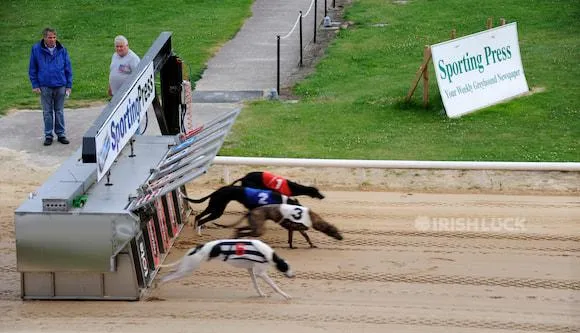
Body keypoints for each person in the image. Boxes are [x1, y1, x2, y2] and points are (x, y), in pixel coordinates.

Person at [28, 27, 73, 146]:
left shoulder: (62, 49)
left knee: (59, 111)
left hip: (60, 85)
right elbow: (32, 68)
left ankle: (61, 134)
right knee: (47, 112)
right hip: (45, 86)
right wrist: (35, 84)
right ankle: (48, 135)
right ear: (44, 38)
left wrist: (68, 85)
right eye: (50, 37)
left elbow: (68, 68)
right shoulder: (36, 49)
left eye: (54, 37)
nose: (52, 40)